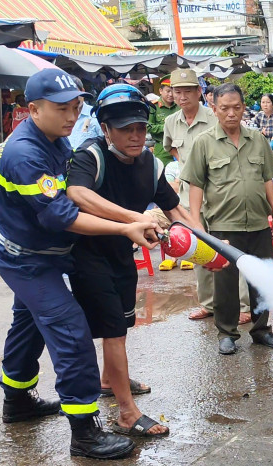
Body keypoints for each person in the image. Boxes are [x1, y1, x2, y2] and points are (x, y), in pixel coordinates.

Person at [0, 68, 160, 459]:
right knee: (71, 332)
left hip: (45, 255)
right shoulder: (25, 153)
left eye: (76, 107)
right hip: (29, 262)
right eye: (62, 108)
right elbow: (61, 216)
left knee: (28, 327)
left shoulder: (54, 140)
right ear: (33, 109)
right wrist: (126, 226)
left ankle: (16, 402)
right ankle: (85, 433)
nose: (71, 116)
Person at [66, 84, 194, 438]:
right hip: (88, 257)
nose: (135, 136)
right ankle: (126, 413)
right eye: (125, 129)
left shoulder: (150, 163)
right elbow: (77, 193)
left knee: (123, 324)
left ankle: (110, 381)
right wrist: (134, 219)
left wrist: (207, 244)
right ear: (105, 128)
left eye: (139, 127)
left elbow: (176, 210)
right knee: (115, 333)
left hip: (124, 253)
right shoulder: (90, 156)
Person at [182, 83, 273, 355]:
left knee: (261, 280)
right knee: (225, 285)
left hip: (259, 224)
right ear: (214, 108)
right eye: (224, 108)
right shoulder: (204, 142)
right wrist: (196, 224)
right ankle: (227, 333)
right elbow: (196, 185)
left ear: (243, 108)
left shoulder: (257, 139)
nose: (231, 114)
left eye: (236, 108)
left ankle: (261, 330)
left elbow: (267, 179)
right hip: (223, 225)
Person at [164, 69, 250, 319]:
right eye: (177, 91)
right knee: (198, 249)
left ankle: (242, 306)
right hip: (187, 199)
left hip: (219, 197)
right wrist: (185, 170)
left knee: (230, 250)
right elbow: (171, 149)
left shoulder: (216, 116)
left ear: (199, 92)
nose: (181, 96)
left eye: (187, 91)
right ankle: (209, 303)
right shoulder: (172, 121)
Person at [148, 76, 177, 165]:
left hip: (179, 148)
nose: (171, 94)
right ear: (161, 91)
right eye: (168, 91)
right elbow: (148, 127)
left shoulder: (179, 106)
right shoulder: (154, 107)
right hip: (162, 149)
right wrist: (166, 127)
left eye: (173, 91)